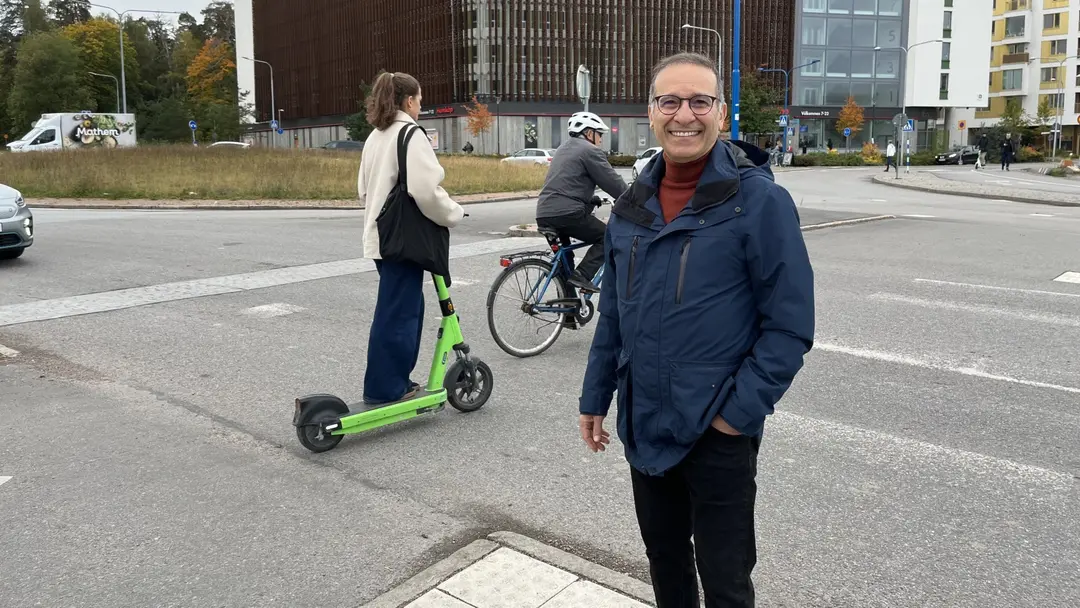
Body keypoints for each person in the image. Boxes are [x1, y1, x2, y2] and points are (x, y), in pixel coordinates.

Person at [578, 52, 815, 607]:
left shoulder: (759, 203)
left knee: (725, 579)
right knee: (665, 564)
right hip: (646, 421)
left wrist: (735, 418)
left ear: (721, 112)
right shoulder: (630, 208)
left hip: (718, 430)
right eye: (670, 101)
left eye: (699, 101)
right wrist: (596, 396)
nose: (685, 114)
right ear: (652, 113)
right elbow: (613, 313)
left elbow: (790, 327)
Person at [358, 71, 465, 405]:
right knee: (400, 315)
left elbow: (363, 189)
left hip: (380, 237)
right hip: (402, 242)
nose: (421, 105)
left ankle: (393, 380)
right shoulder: (409, 133)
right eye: (420, 99)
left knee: (400, 309)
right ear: (408, 101)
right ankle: (386, 388)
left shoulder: (377, 135)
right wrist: (454, 212)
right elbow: (425, 191)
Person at [535, 111, 628, 293]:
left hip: (545, 214)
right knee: (607, 237)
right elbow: (614, 183)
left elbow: (566, 183)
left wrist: (590, 199)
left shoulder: (563, 149)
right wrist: (632, 198)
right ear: (589, 133)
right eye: (599, 134)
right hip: (567, 214)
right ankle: (584, 275)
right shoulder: (589, 150)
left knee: (565, 265)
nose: (600, 139)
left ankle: (569, 314)